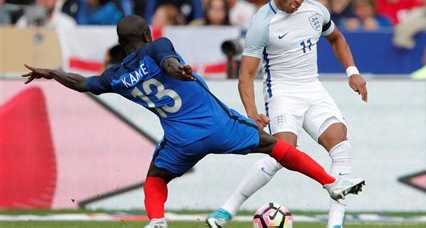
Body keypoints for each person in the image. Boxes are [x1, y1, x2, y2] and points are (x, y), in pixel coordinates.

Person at [23, 15, 365, 228]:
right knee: (275, 146)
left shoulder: (115, 76)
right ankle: (330, 182)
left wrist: (52, 73)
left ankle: (157, 221)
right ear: (145, 35)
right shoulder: (158, 46)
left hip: (179, 140)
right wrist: (178, 69)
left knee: (156, 179)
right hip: (217, 125)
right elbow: (167, 61)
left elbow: (83, 83)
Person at [206, 0, 368, 228]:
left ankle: (335, 225)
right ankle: (227, 209)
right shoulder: (262, 23)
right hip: (281, 92)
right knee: (283, 153)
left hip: (312, 88)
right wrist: (252, 112)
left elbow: (336, 38)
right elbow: (246, 75)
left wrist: (352, 71)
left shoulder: (316, 11)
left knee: (342, 147)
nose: (298, 0)